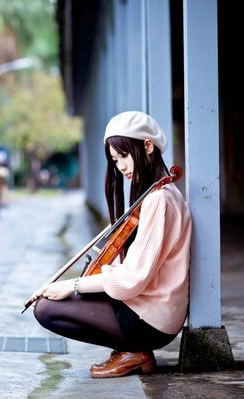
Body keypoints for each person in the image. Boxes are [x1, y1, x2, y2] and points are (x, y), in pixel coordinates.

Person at [31, 111, 192, 378]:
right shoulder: (152, 195)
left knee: (48, 310)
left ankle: (134, 351)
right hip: (146, 306)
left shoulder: (159, 200)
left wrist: (72, 285)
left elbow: (133, 279)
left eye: (124, 156)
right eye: (115, 161)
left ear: (148, 146)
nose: (121, 167)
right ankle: (132, 351)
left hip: (151, 317)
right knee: (59, 300)